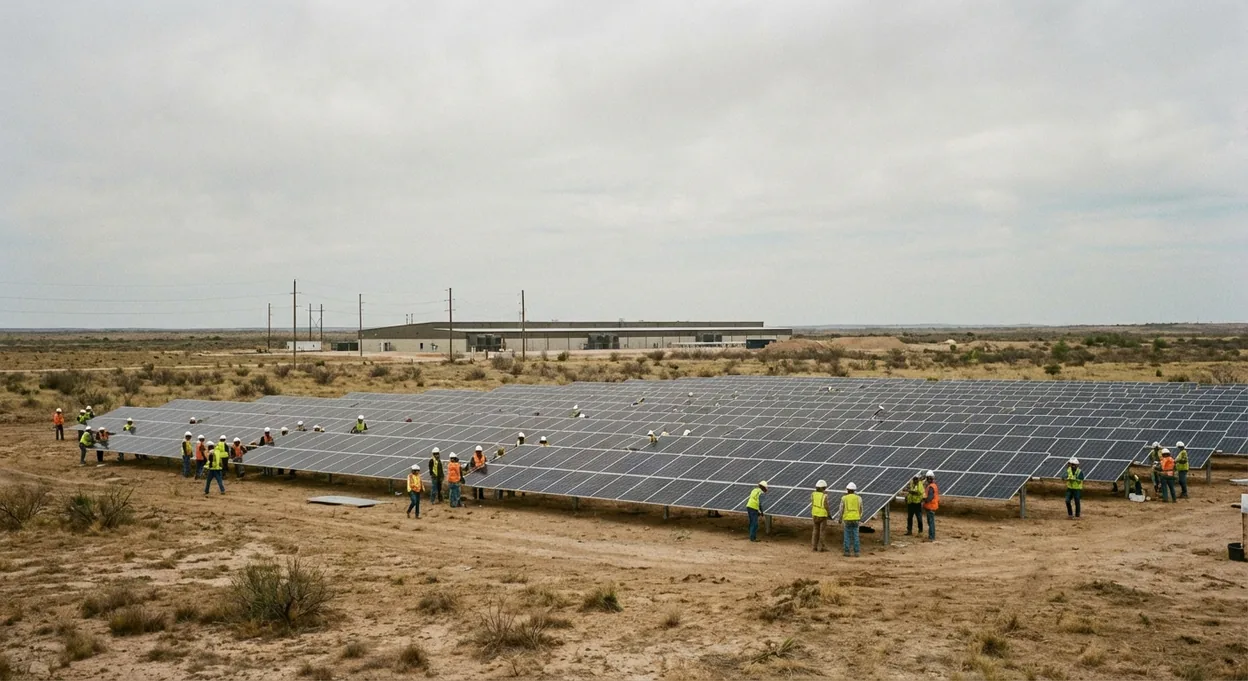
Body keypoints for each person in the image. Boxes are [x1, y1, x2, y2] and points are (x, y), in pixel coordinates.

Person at [840, 482, 862, 557]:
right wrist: (859, 517)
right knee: (855, 535)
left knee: (847, 535)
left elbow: (841, 510)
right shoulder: (858, 498)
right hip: (856, 519)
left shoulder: (844, 498)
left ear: (847, 490)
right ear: (854, 490)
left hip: (847, 519)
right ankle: (856, 552)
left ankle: (847, 552)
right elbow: (861, 509)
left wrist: (840, 519)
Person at [810, 480, 829, 552]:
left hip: (814, 514)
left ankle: (814, 547)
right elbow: (826, 506)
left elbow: (812, 503)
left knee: (815, 530)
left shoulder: (813, 494)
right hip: (822, 515)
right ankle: (822, 547)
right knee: (822, 531)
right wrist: (829, 514)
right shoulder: (824, 496)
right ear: (823, 488)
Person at [922, 471, 939, 541]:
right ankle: (931, 536)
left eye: (928, 478)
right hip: (932, 506)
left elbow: (930, 497)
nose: (927, 480)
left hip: (931, 507)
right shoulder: (933, 485)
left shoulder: (931, 487)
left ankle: (931, 537)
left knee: (931, 522)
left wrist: (924, 500)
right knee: (930, 522)